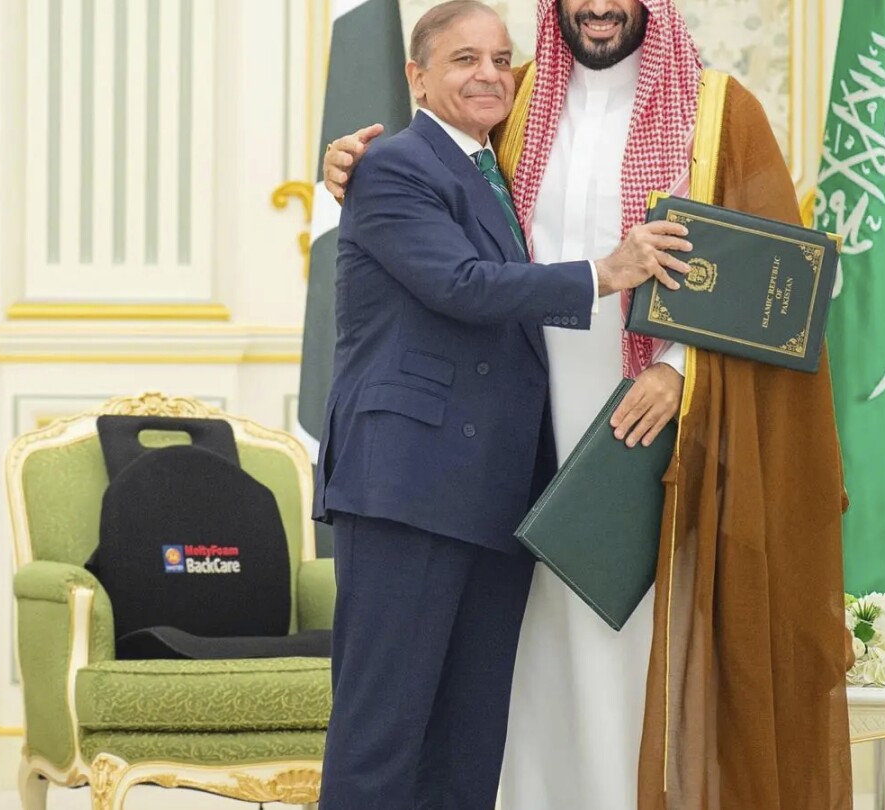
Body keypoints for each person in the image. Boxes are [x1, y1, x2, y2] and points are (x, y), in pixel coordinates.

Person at [324, 1, 853, 807]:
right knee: (476, 694)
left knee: (587, 666)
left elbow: (778, 285)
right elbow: (437, 214)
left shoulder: (717, 113)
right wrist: (346, 162)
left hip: (646, 433)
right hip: (500, 453)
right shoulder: (514, 102)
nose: (599, 7)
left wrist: (679, 369)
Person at [311, 2, 691, 808]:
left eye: (499, 59)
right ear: (415, 78)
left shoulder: (499, 167)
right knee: (382, 738)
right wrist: (607, 272)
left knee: (468, 744)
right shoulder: (393, 165)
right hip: (409, 490)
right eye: (463, 60)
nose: (488, 74)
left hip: (495, 497)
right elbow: (462, 284)